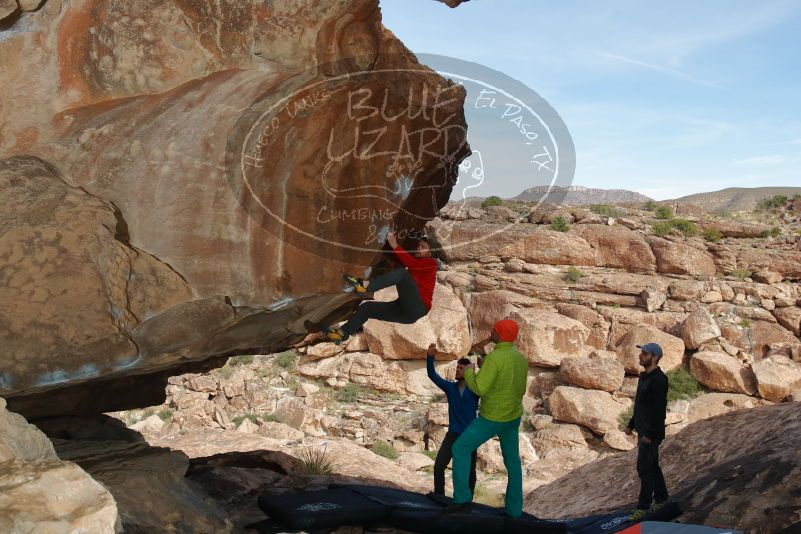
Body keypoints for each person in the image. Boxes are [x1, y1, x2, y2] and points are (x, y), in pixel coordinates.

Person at [448, 320, 528, 517]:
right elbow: (518, 387)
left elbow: (479, 388)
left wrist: (469, 373)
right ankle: (514, 510)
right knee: (513, 462)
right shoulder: (520, 358)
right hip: (513, 417)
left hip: (492, 417)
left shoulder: (495, 357)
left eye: (495, 329)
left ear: (499, 335)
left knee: (460, 449)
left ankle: (462, 500)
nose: (491, 331)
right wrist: (485, 369)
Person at [325, 232, 438, 343]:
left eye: (423, 247)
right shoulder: (420, 265)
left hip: (418, 308)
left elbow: (411, 264)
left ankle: (366, 286)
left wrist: (394, 244)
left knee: (403, 274)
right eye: (419, 245)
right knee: (367, 308)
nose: (418, 248)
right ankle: (341, 334)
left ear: (430, 253)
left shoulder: (431, 263)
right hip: (406, 312)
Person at [426, 343, 479, 496]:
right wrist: (430, 357)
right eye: (457, 368)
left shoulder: (475, 389)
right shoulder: (450, 388)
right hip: (453, 434)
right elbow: (432, 375)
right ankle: (439, 495)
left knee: (469, 471)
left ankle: (467, 500)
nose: (457, 370)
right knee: (439, 466)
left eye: (461, 368)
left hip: (470, 436)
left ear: (469, 371)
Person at [625, 342, 669, 520]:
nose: (640, 356)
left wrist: (650, 435)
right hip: (643, 431)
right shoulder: (644, 377)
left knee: (644, 468)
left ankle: (643, 507)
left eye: (644, 353)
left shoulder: (659, 380)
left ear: (654, 357)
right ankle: (662, 498)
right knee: (652, 466)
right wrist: (631, 424)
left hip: (651, 434)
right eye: (641, 353)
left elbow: (659, 410)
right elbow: (640, 406)